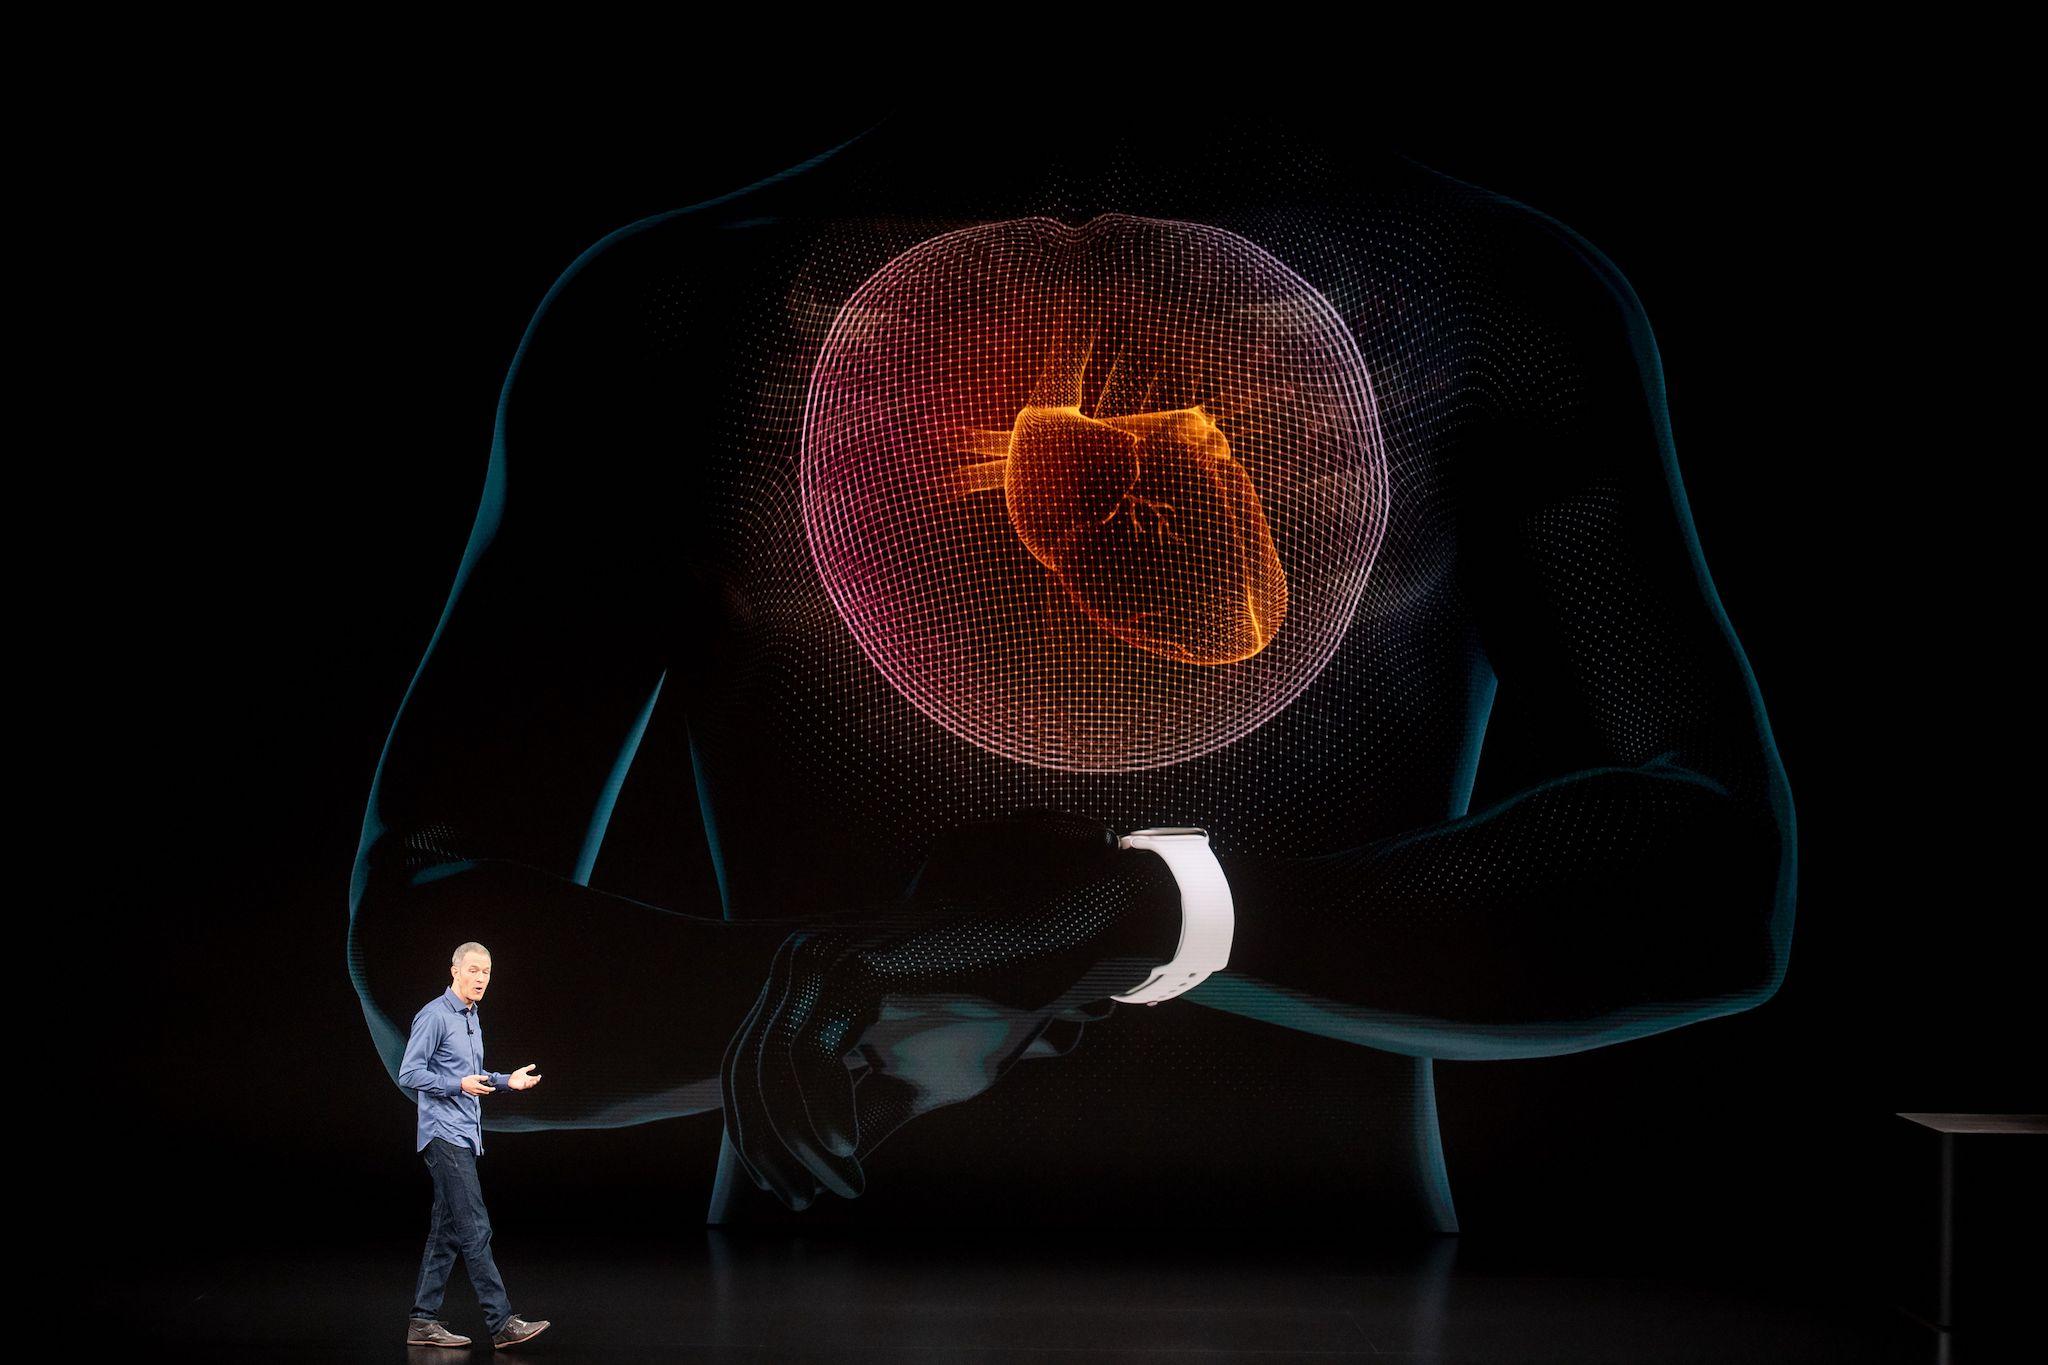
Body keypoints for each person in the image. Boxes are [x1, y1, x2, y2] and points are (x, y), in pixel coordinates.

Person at [349, 108, 1796, 1232]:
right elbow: (427, 941)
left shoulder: (1484, 300)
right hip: (829, 1301)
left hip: (1333, 1285)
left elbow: (1716, 873)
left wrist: (1129, 915)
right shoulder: (681, 314)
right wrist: (919, 970)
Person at [397, 942, 551, 1349]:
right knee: (475, 1227)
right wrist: (455, 1085)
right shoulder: (434, 1016)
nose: (481, 978)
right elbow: (409, 1073)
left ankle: (422, 1322)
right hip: (443, 1135)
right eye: (474, 970)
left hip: (464, 1134)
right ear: (455, 971)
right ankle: (501, 1323)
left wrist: (505, 1081)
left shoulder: (470, 1017)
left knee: (447, 1231)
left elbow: (472, 1075)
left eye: (487, 971)